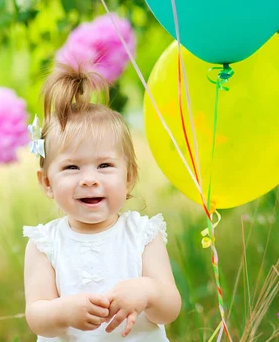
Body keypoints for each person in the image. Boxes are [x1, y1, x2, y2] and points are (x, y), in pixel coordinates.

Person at [23, 63, 181, 342]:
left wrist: (147, 291)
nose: (89, 180)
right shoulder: (44, 243)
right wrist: (62, 311)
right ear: (47, 182)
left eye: (104, 165)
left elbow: (169, 309)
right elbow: (37, 317)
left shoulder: (143, 235)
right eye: (72, 168)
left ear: (129, 177)